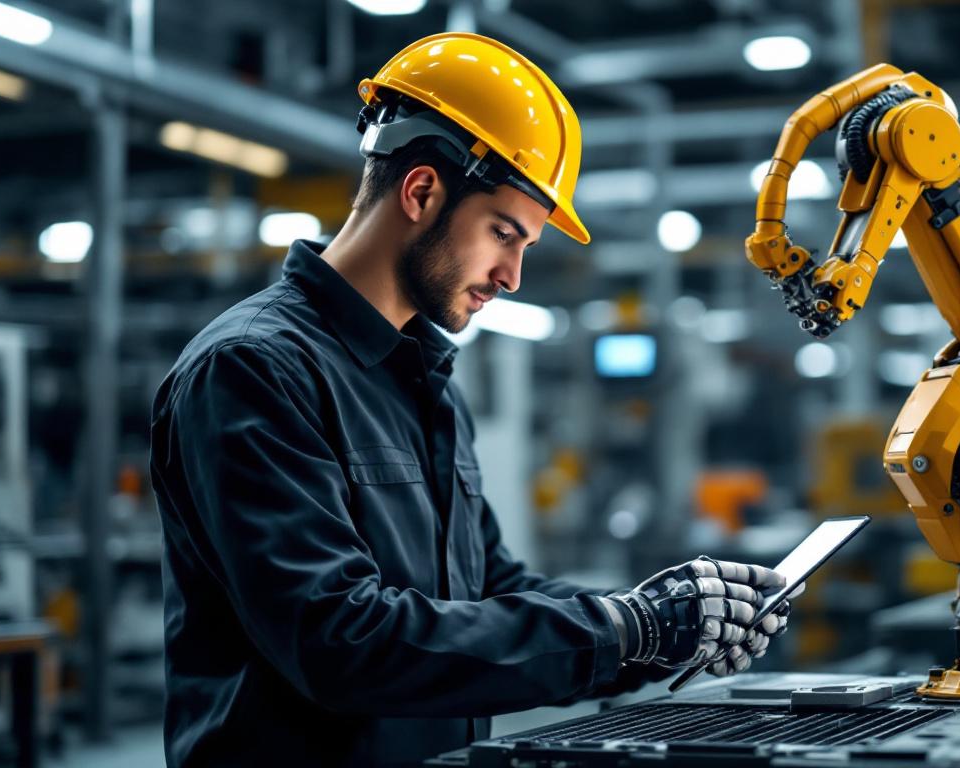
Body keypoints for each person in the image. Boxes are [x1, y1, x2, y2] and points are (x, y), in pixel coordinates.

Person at [149, 32, 796, 767]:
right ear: (422, 192)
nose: (513, 275)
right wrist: (622, 630)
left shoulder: (422, 380)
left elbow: (487, 585)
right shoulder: (254, 368)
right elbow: (339, 639)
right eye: (503, 234)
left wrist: (659, 621)